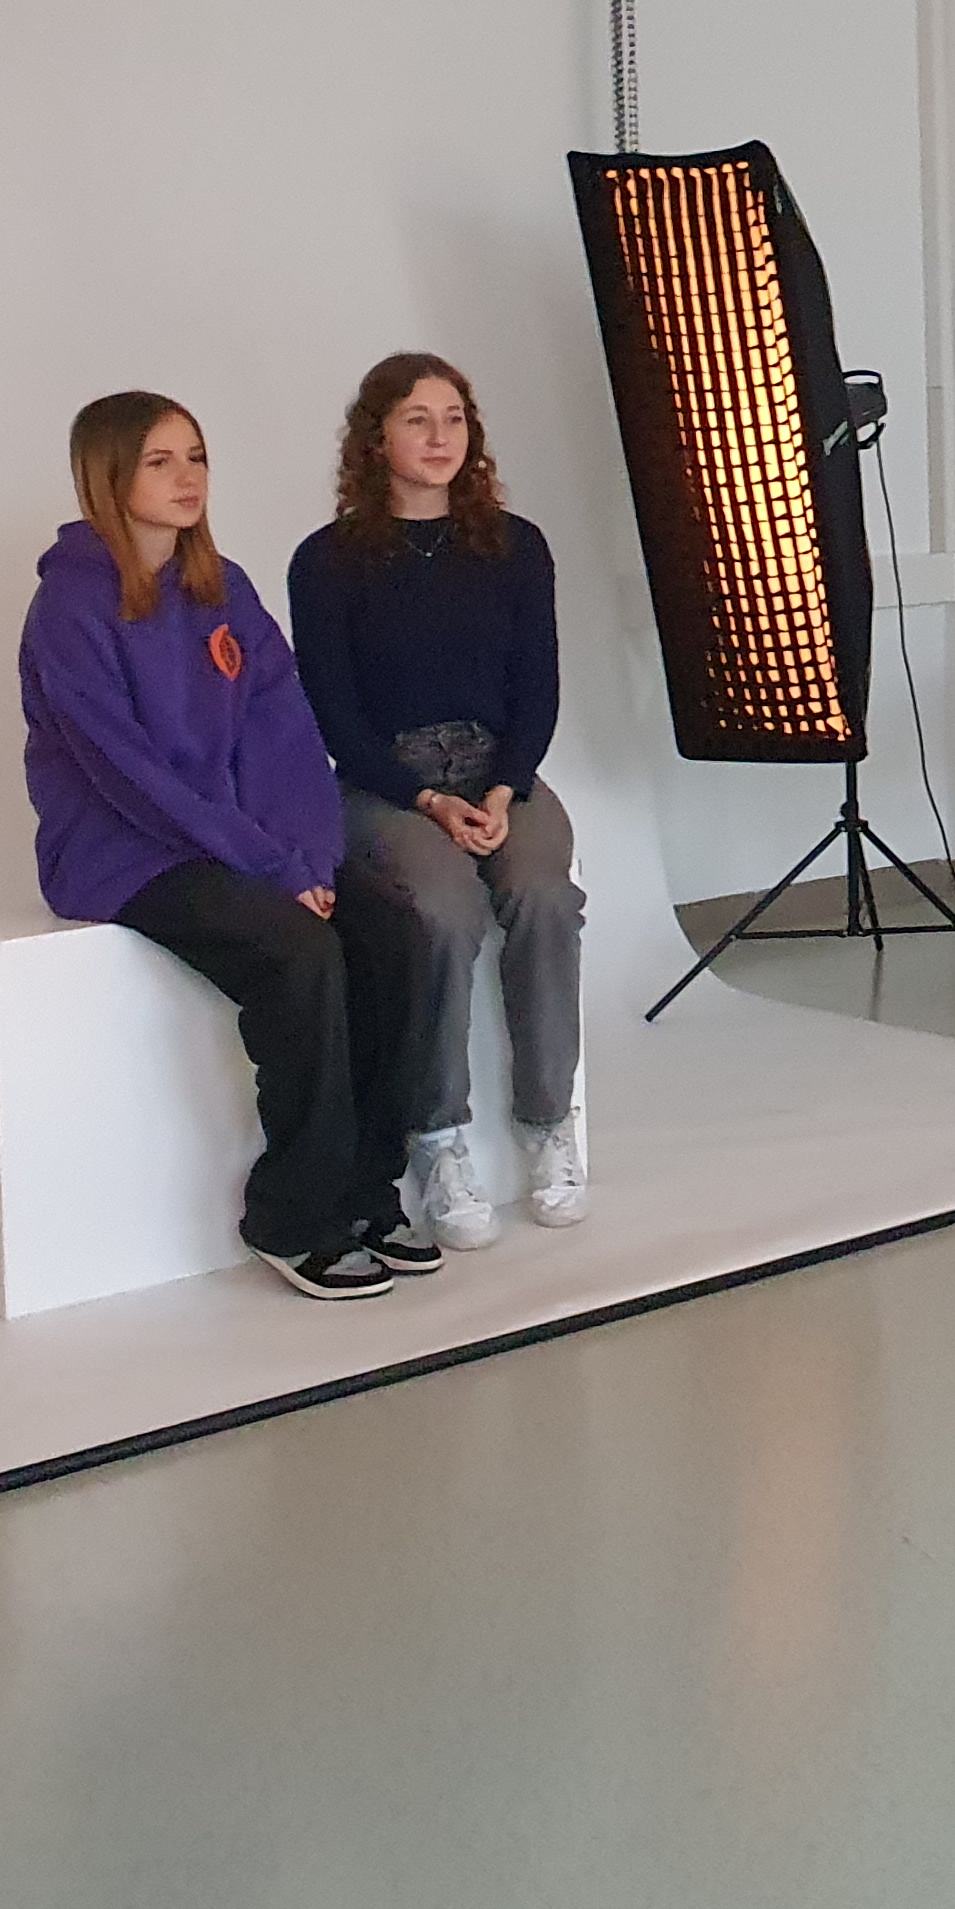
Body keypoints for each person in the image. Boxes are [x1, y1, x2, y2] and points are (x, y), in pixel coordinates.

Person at [20, 391, 423, 1302]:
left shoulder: (223, 586)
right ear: (108, 475)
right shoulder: (68, 605)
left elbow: (284, 733)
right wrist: (270, 869)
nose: (187, 477)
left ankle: (368, 1191)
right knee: (297, 953)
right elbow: (127, 776)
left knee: (392, 933)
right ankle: (292, 1218)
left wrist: (307, 857)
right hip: (124, 854)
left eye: (196, 457)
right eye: (160, 461)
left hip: (242, 842)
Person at [288, 353, 587, 1251]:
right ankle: (438, 1136)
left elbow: (539, 687)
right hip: (387, 780)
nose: (439, 437)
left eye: (454, 418)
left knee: (542, 895)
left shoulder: (516, 545)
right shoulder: (327, 560)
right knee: (442, 911)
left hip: (499, 767)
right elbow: (334, 715)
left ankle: (549, 1122)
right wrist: (424, 798)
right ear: (376, 437)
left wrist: (501, 788)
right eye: (417, 419)